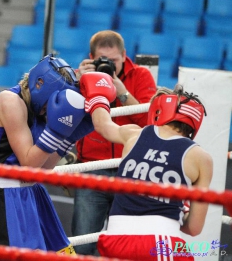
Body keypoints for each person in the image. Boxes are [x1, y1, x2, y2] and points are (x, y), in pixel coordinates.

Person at [79, 71, 213, 260]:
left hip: (116, 239)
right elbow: (194, 228)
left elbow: (102, 124)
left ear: (158, 110)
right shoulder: (201, 158)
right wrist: (176, 212)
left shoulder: (134, 135)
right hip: (162, 244)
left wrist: (98, 92)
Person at [0, 54, 93, 254]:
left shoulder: (37, 109)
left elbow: (44, 167)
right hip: (7, 195)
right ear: (40, 83)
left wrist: (68, 137)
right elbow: (28, 164)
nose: (50, 108)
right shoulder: (10, 101)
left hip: (34, 191)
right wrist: (57, 130)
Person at [72, 30, 157, 255]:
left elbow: (151, 122)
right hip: (92, 168)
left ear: (125, 55)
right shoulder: (80, 77)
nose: (109, 66)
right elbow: (67, 117)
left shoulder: (141, 76)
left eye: (114, 61)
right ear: (91, 58)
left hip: (131, 170)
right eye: (103, 61)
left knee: (125, 246)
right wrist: (78, 82)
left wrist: (122, 92)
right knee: (82, 243)